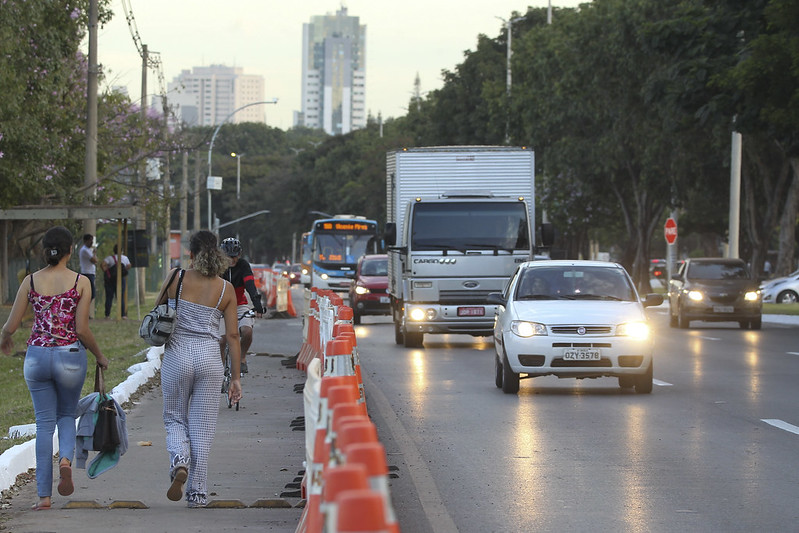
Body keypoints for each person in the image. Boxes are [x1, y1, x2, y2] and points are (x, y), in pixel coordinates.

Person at [0, 226, 109, 511]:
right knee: (65, 415)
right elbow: (82, 329)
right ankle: (65, 461)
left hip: (36, 357)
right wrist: (99, 355)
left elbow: (10, 325)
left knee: (44, 425)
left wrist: (5, 338)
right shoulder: (81, 282)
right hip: (70, 357)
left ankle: (43, 497)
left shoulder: (31, 282)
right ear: (71, 250)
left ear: (44, 250)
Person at [159, 230, 242, 508]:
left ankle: (180, 460)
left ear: (190, 254)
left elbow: (157, 309)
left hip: (177, 356)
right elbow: (232, 337)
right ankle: (197, 494)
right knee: (202, 430)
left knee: (174, 419)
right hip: (210, 361)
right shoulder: (225, 289)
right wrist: (236, 378)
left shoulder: (176, 277)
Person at [219, 237, 264, 374]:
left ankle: (242, 357)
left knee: (247, 331)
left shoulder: (243, 265)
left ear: (239, 255)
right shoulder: (217, 266)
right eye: (228, 257)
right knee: (222, 340)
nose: (232, 261)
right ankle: (220, 371)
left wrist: (257, 304)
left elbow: (250, 285)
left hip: (239, 305)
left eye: (235, 257)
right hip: (220, 307)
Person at [100, 244, 131, 319]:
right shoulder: (124, 258)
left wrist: (107, 271)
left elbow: (102, 265)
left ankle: (107, 315)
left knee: (109, 297)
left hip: (110, 280)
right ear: (121, 251)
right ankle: (123, 314)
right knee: (121, 297)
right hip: (121, 279)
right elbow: (129, 266)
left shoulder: (110, 258)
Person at [78, 234, 97, 318]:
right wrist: (95, 254)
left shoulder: (88, 250)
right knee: (90, 294)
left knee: (90, 294)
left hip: (91, 273)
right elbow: (94, 260)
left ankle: (85, 312)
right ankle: (83, 311)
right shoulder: (84, 250)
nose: (91, 242)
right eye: (90, 240)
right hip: (87, 273)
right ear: (86, 241)